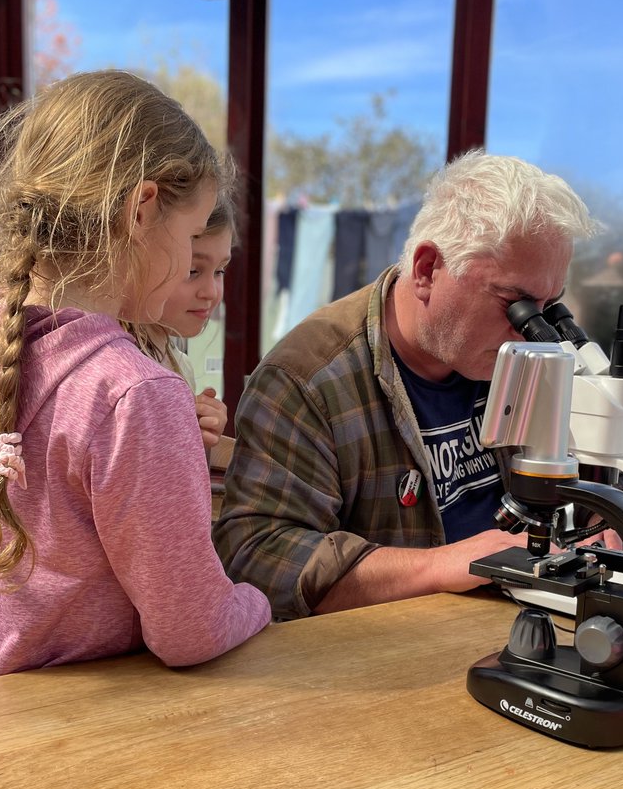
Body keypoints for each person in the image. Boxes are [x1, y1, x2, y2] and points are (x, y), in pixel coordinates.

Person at [0, 70, 271, 699]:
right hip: (95, 751)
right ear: (141, 209)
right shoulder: (134, 392)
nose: (193, 269)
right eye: (189, 244)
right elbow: (189, 628)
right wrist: (256, 601)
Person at [214, 150, 597, 620]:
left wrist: (593, 526)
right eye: (514, 302)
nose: (529, 329)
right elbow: (259, 559)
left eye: (548, 306)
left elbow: (562, 494)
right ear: (426, 269)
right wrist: (440, 567)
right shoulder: (307, 380)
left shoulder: (510, 355)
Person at [138, 193, 236, 449]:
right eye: (193, 271)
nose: (211, 292)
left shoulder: (180, 365)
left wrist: (199, 432)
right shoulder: (128, 371)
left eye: (219, 271)